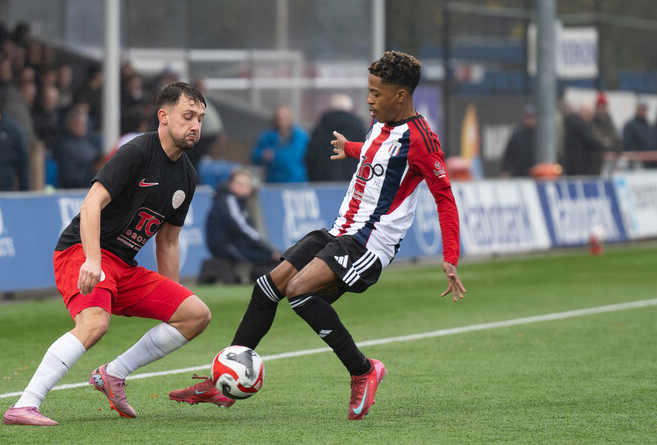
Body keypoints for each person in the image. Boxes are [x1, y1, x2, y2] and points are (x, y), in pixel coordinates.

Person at [169, 51, 466, 420]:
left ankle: (363, 370)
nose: (369, 99)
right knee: (266, 288)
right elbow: (378, 153)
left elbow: (445, 198)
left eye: (376, 93)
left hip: (369, 242)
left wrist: (450, 257)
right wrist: (351, 149)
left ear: (401, 95)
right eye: (368, 91)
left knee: (299, 291)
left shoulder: (422, 140)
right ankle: (223, 380)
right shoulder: (380, 123)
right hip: (338, 231)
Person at [2, 82, 211, 426]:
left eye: (200, 119)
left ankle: (112, 374)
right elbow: (91, 205)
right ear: (163, 116)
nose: (195, 126)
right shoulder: (137, 152)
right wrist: (92, 259)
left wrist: (172, 298)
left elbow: (168, 242)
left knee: (196, 315)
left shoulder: (187, 176)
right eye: (188, 116)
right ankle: (25, 405)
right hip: (81, 251)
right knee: (95, 324)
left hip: (124, 266)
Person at [206, 168, 281, 276]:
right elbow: (242, 227)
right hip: (225, 245)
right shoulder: (228, 200)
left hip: (237, 241)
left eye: (246, 184)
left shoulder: (240, 201)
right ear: (231, 183)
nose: (243, 187)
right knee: (268, 256)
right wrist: (267, 248)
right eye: (239, 184)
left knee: (268, 255)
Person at [305, 93, 368, 182]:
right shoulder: (358, 127)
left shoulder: (321, 126)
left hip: (323, 180)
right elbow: (364, 153)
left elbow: (312, 155)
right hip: (352, 180)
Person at [251, 105, 309, 183]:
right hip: (274, 180)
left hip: (296, 181)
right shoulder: (267, 136)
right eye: (279, 118)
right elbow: (254, 156)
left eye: (285, 118)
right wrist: (263, 155)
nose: (281, 121)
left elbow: (310, 157)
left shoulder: (300, 136)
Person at [55, 108, 102, 189]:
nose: (81, 127)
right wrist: (92, 171)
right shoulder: (64, 146)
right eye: (78, 124)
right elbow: (69, 176)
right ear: (70, 124)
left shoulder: (90, 142)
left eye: (83, 124)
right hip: (79, 186)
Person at [564, 104, 608, 176]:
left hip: (575, 165)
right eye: (589, 115)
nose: (591, 117)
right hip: (579, 166)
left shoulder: (576, 124)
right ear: (583, 113)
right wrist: (606, 147)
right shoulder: (580, 125)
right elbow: (591, 141)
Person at [500, 104, 537, 177]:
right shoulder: (518, 135)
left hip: (537, 176)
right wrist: (505, 170)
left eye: (531, 117)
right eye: (527, 117)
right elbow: (508, 156)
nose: (529, 120)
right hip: (520, 175)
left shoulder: (541, 136)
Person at [590, 92, 621, 175]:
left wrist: (615, 148)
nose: (601, 109)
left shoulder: (609, 121)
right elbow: (594, 138)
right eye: (599, 107)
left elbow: (615, 137)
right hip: (597, 160)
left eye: (603, 107)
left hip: (610, 158)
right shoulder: (592, 122)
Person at [622, 100, 657, 168]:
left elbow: (655, 142)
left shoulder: (650, 126)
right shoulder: (630, 126)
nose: (643, 111)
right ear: (637, 109)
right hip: (638, 163)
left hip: (653, 162)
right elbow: (627, 145)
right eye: (642, 108)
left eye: (645, 109)